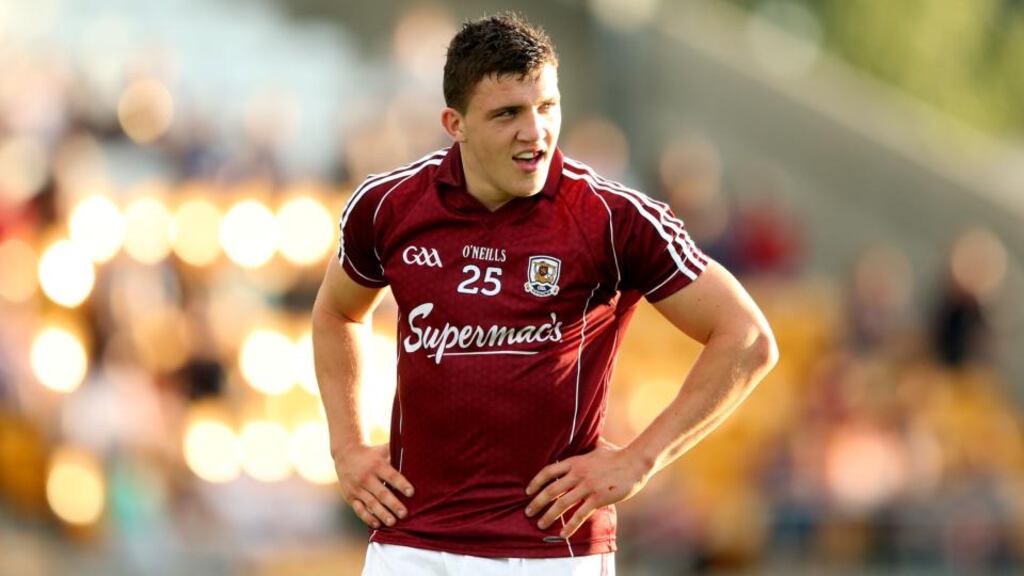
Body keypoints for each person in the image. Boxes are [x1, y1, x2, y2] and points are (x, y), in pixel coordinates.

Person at [312, 12, 778, 576]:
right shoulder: (387, 206)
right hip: (413, 544)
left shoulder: (613, 218)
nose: (534, 131)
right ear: (454, 123)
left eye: (546, 107)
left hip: (553, 551)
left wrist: (640, 460)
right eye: (508, 113)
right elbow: (338, 311)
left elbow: (747, 338)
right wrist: (348, 447)